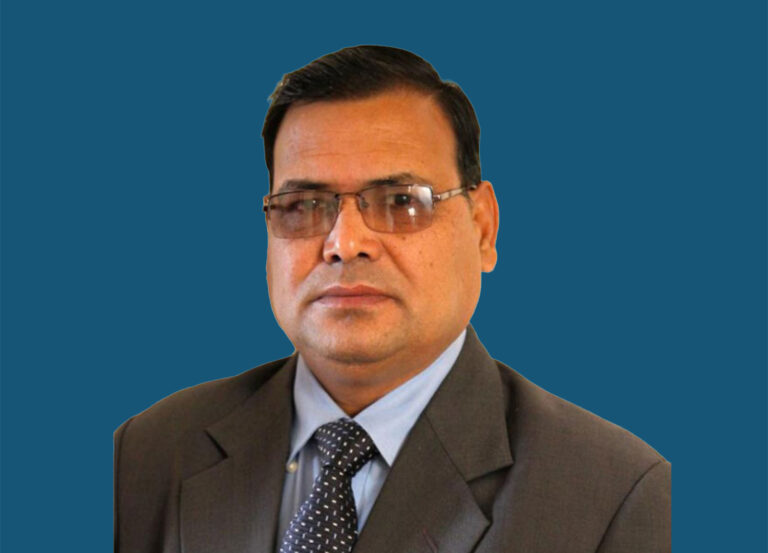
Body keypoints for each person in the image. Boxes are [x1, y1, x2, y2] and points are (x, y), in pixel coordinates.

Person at [114, 45, 670, 553]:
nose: (344, 244)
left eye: (401, 201)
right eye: (304, 206)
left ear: (482, 228)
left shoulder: (616, 497)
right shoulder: (145, 455)